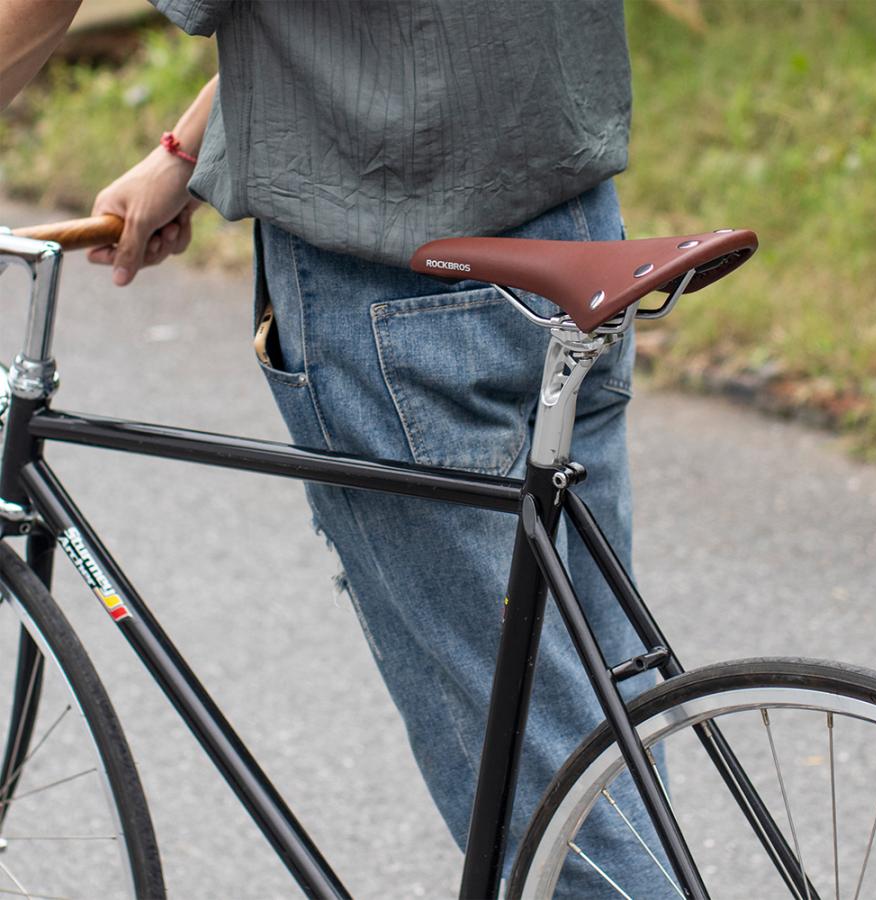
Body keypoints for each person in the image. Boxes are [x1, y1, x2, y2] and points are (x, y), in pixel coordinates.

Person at [2, 2, 667, 895]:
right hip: (574, 237)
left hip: (398, 275)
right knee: (601, 748)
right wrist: (190, 148)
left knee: (552, 805)